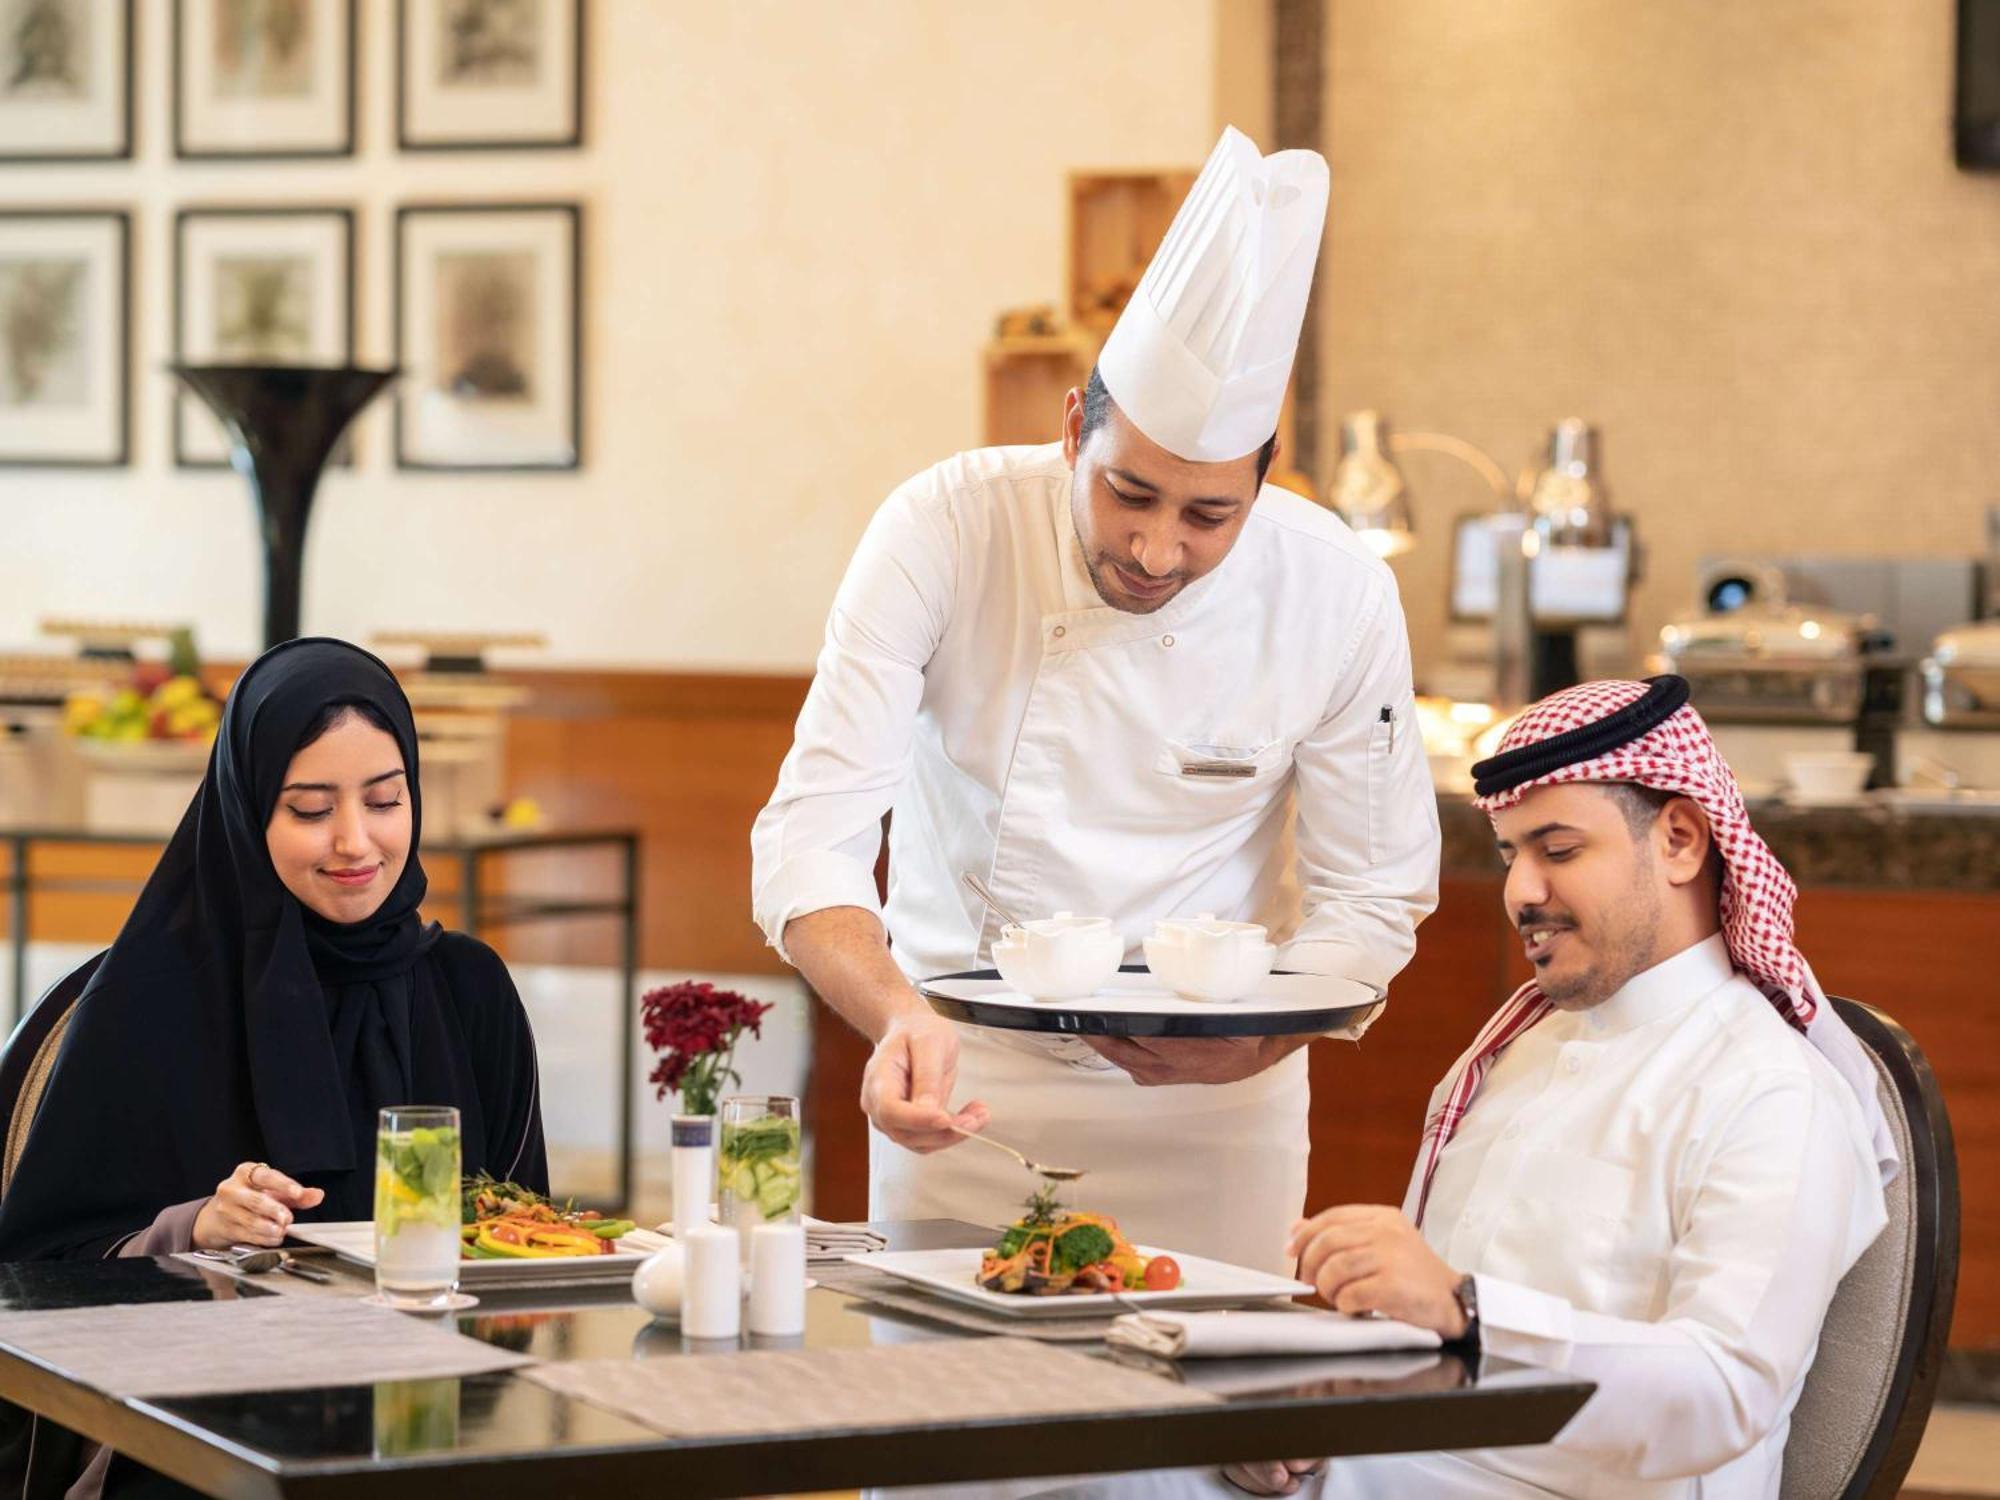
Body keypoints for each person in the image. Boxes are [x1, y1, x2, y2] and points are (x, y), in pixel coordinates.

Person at [751, 126, 1440, 1271]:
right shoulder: (945, 529)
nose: (1157, 548)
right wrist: (897, 1018)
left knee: (1198, 1439)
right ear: (1073, 427)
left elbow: (1372, 893)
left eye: (1206, 517)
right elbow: (810, 838)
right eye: (1128, 492)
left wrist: (1263, 1043)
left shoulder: (1333, 591)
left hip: (1214, 1117)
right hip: (960, 1082)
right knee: (955, 1427)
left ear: (1260, 489)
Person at [1187, 675, 1895, 1500]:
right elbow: (1440, 1355)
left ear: (1679, 841)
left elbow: (1725, 1390)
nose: (1520, 891)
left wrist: (1466, 1309)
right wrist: (1304, 1416)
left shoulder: (1773, 1092)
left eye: (1557, 851)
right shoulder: (1514, 1054)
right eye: (1509, 856)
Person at [0, 637, 548, 1263]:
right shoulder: (148, 1005)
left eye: (384, 801)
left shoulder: (469, 989)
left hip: (431, 1354)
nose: (354, 841)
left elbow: (525, 1236)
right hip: (210, 1356)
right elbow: (35, 1272)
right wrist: (194, 1228)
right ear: (246, 813)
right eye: (310, 810)